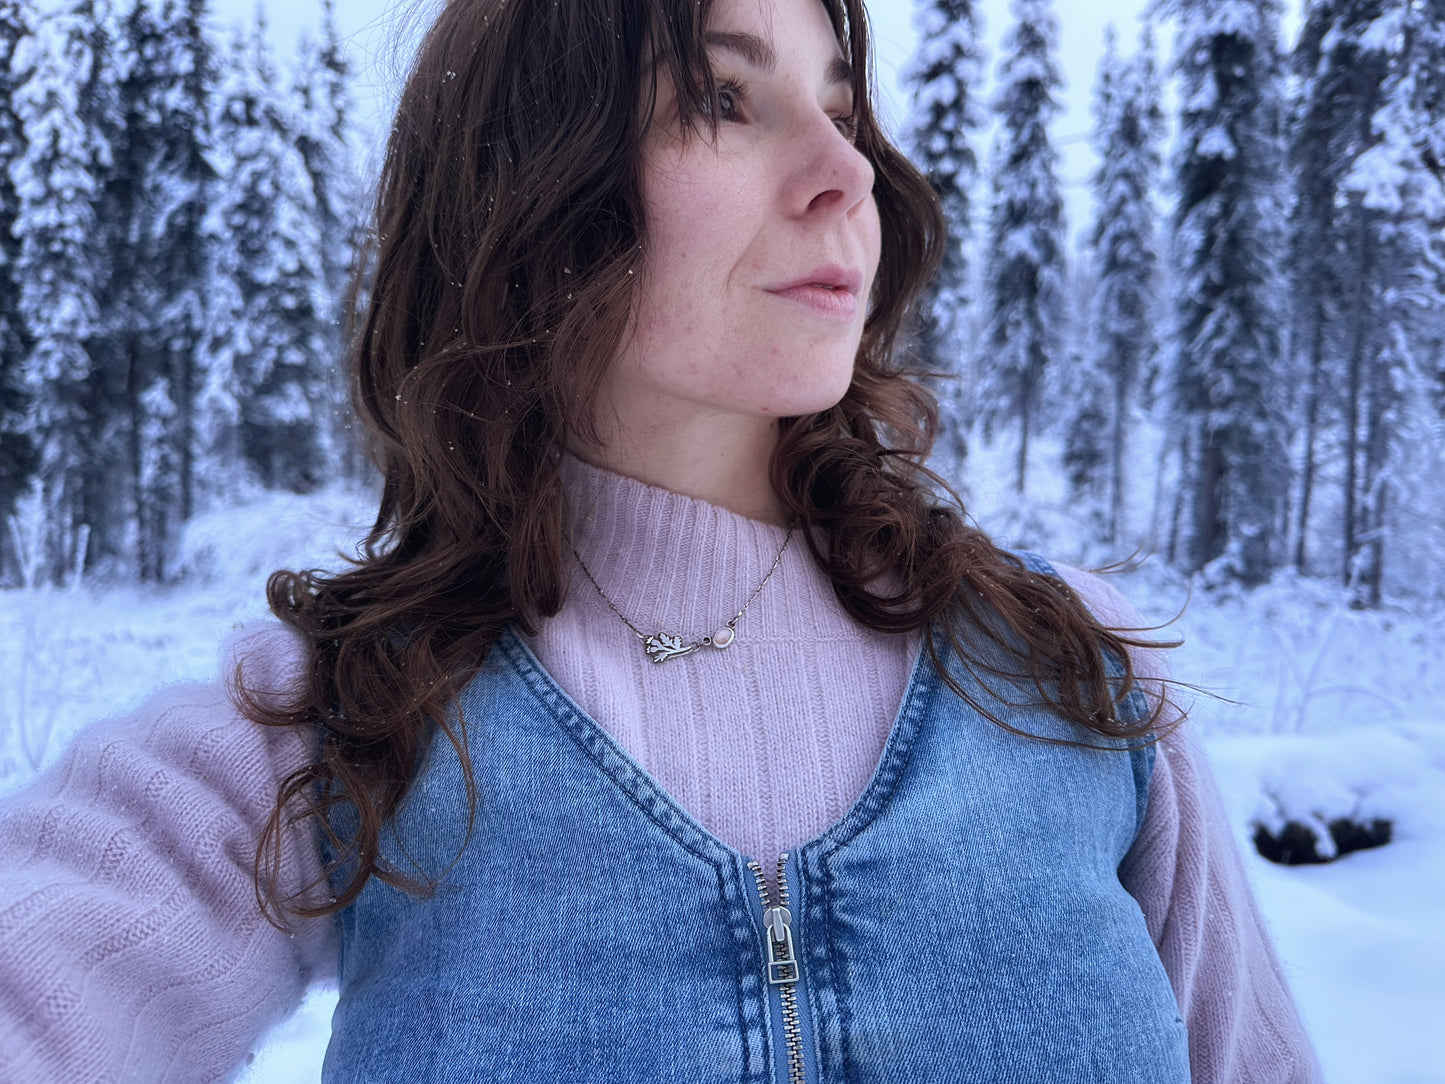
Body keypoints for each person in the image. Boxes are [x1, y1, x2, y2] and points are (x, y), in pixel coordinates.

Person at [0, 0, 1323, 1079]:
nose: (849, 172)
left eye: (845, 108)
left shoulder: (1071, 675)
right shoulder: (336, 723)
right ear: (533, 183)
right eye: (724, 98)